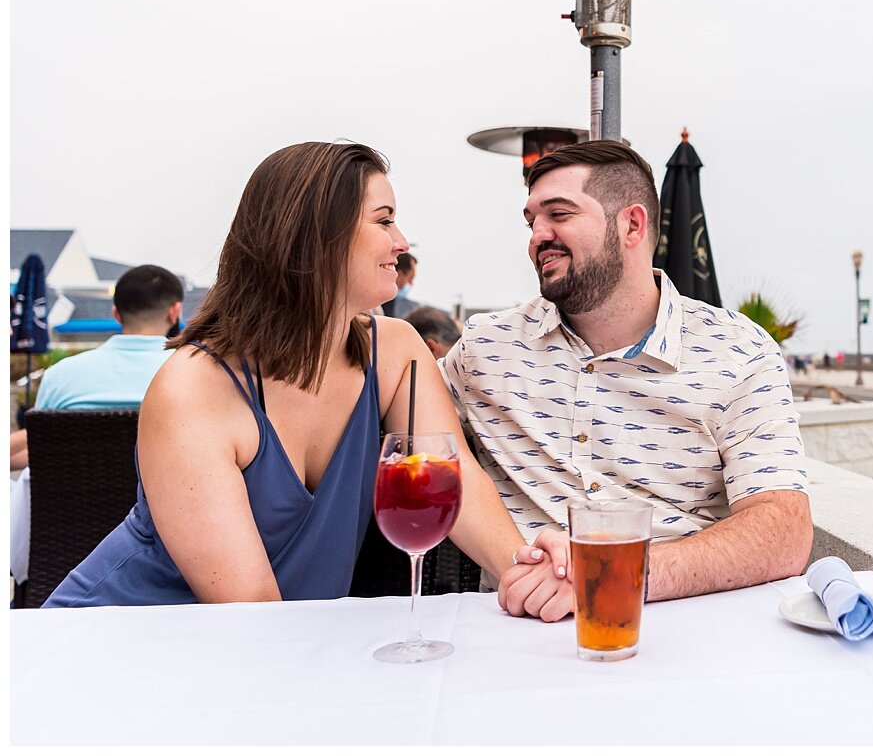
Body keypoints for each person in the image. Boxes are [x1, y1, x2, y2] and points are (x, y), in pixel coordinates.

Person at [45, 141, 558, 607]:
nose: (401, 242)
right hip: (117, 648)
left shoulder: (395, 352)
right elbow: (249, 607)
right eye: (383, 221)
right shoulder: (195, 388)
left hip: (279, 651)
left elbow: (452, 477)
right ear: (319, 239)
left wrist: (523, 572)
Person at [442, 140, 812, 622]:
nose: (537, 235)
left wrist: (616, 574)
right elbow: (405, 435)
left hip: (681, 626)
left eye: (559, 214)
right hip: (517, 630)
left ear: (632, 225)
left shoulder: (739, 350)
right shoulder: (485, 348)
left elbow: (783, 530)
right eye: (531, 220)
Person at [12, 264, 184, 587]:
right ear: (175, 311)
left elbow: (38, 454)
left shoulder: (62, 376)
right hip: (171, 562)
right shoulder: (195, 376)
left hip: (66, 562)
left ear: (116, 313)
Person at [380, 251, 418, 319]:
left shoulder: (390, 300)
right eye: (410, 278)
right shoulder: (379, 301)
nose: (411, 283)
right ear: (399, 275)